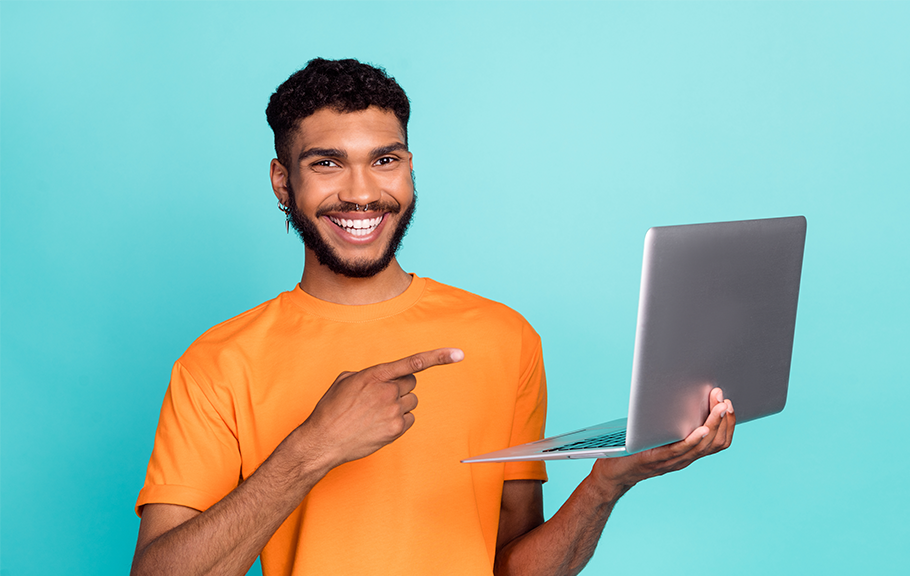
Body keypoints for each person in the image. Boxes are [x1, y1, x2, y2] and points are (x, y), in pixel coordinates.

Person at [131, 58, 736, 576]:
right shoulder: (218, 362)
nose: (361, 192)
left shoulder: (504, 338)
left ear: (410, 168)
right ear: (282, 182)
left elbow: (511, 564)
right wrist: (312, 449)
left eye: (385, 160)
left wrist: (610, 481)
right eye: (326, 164)